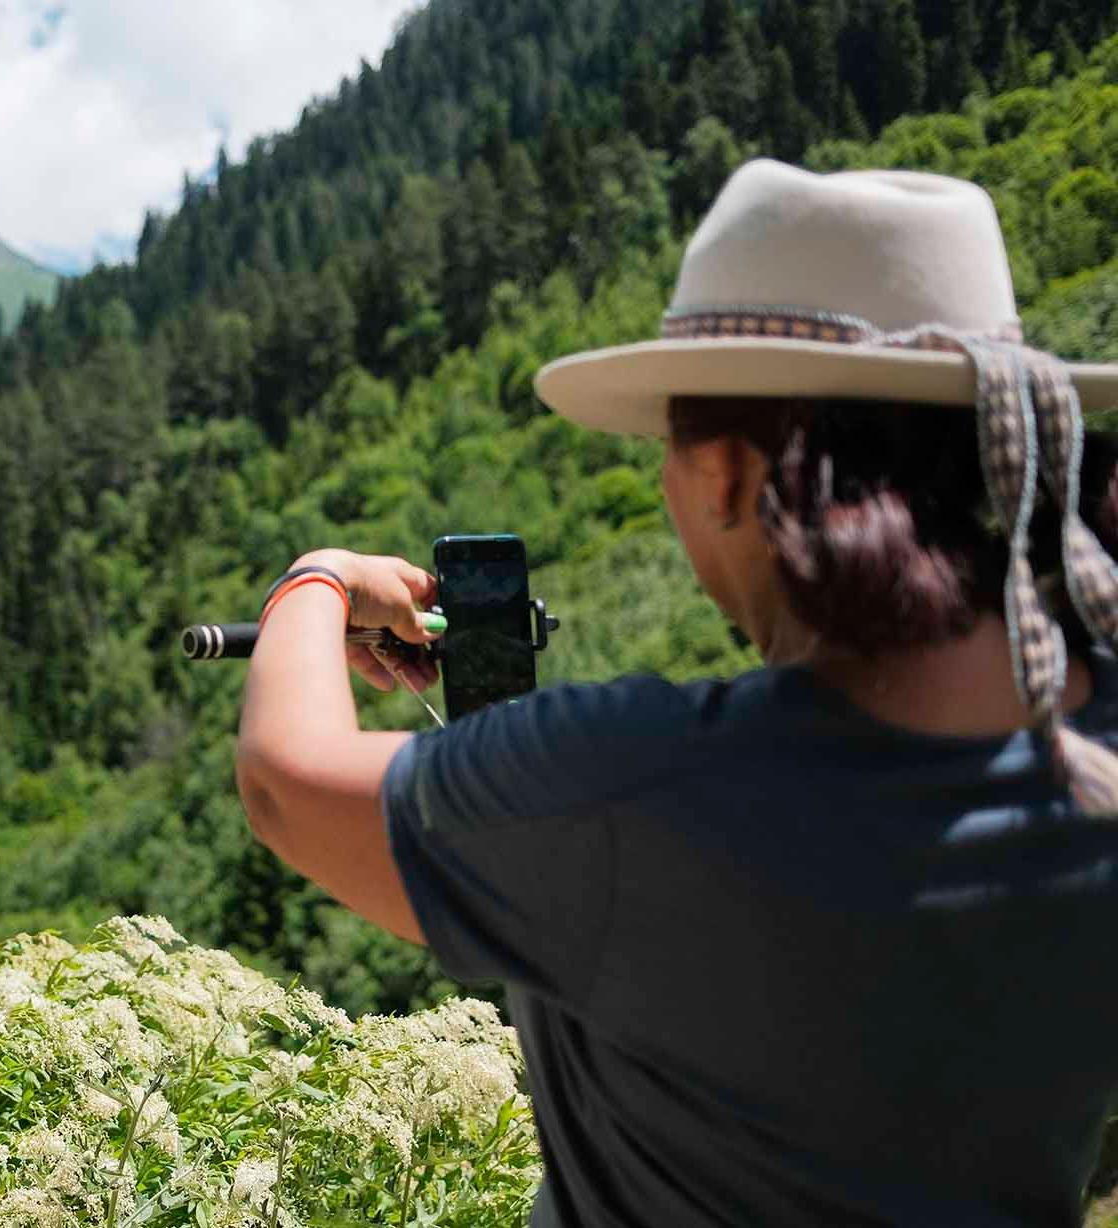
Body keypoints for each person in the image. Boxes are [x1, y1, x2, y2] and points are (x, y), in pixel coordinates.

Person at [233, 159, 1118, 1226]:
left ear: (727, 475)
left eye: (667, 447)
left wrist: (316, 576)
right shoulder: (1095, 737)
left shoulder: (639, 788)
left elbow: (286, 781)